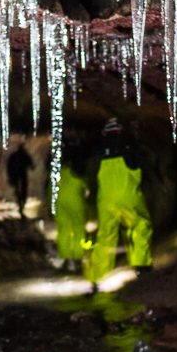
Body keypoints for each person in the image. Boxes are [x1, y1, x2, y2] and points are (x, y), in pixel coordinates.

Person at [86, 117, 153, 283]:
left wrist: (92, 197)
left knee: (105, 236)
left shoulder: (97, 151)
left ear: (104, 132)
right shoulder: (129, 146)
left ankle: (98, 276)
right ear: (121, 131)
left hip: (106, 201)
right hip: (128, 196)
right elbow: (146, 167)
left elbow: (90, 176)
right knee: (140, 226)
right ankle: (141, 266)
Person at [53, 132, 94, 271]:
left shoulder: (58, 173)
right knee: (78, 229)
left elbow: (49, 189)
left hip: (60, 201)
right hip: (75, 200)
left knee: (63, 230)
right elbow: (86, 189)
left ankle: (64, 257)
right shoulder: (78, 170)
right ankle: (77, 257)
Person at [5, 141, 31, 218]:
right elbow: (31, 164)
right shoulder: (23, 155)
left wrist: (10, 176)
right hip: (22, 175)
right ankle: (22, 204)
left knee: (19, 190)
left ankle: (20, 203)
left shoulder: (14, 155)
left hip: (16, 175)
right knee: (23, 190)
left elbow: (9, 166)